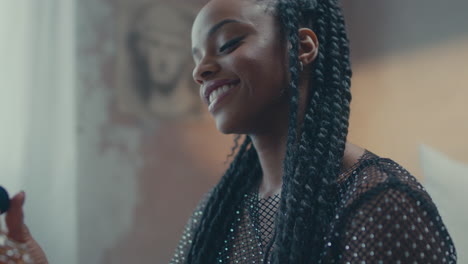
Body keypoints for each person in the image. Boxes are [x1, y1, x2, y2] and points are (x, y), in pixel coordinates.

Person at [2, 0, 457, 263]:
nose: (200, 70)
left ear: (301, 47)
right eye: (196, 57)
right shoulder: (222, 211)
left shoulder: (380, 203)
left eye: (228, 43)